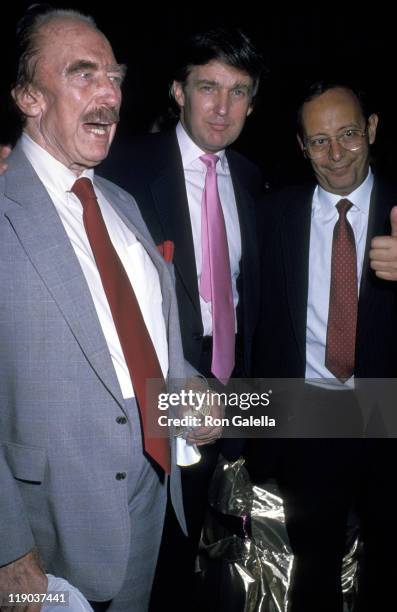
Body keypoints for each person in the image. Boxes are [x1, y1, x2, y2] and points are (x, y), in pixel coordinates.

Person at [0, 7, 217, 612]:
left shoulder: (121, 201)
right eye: (82, 73)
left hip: (152, 495)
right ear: (28, 97)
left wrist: (189, 391)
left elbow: (143, 339)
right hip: (44, 530)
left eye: (115, 76)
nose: (110, 93)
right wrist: (6, 546)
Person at [99, 26, 266, 610]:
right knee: (146, 560)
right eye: (208, 87)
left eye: (238, 91)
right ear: (178, 91)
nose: (223, 108)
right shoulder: (121, 166)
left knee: (202, 542)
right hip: (157, 386)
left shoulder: (251, 178)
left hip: (229, 394)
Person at [251, 81, 397, 612]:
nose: (335, 155)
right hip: (309, 411)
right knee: (312, 566)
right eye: (319, 141)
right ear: (301, 145)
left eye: (349, 134)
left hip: (388, 410)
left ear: (373, 129)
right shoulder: (272, 216)